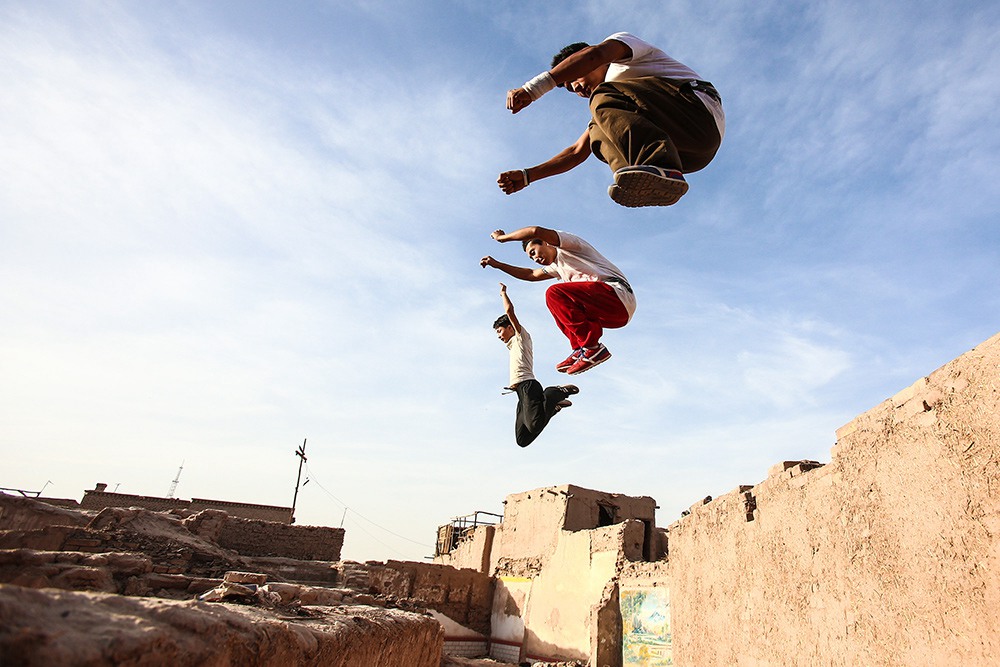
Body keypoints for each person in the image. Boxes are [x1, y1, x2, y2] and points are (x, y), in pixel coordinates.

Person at [497, 32, 725, 208]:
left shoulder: (623, 54)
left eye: (575, 78)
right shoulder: (613, 106)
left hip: (697, 113)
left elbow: (595, 55)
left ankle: (657, 163)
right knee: (597, 130)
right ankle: (650, 178)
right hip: (691, 156)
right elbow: (576, 152)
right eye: (570, 90)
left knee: (601, 96)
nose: (576, 88)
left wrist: (534, 88)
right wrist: (528, 176)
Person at [481, 226, 635, 375]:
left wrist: (502, 238)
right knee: (555, 302)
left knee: (554, 293)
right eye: (531, 257)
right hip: (614, 315)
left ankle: (592, 348)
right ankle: (580, 349)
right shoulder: (556, 267)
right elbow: (530, 274)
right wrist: (498, 265)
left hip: (617, 294)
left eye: (534, 252)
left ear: (545, 242)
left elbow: (535, 231)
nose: (535, 259)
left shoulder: (570, 246)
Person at [494, 283, 579, 448]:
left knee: (534, 425)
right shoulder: (512, 344)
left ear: (510, 327)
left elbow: (510, 312)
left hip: (528, 386)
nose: (498, 336)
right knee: (522, 439)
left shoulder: (521, 337)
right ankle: (553, 407)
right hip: (520, 391)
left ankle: (554, 392)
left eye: (499, 331)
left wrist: (503, 294)